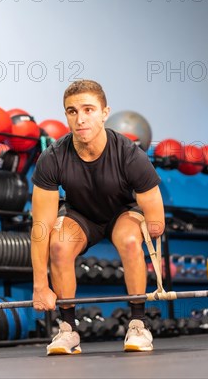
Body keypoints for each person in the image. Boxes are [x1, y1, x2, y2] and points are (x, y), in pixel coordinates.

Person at [30, 79, 165, 355]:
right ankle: (68, 330)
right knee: (58, 244)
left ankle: (138, 324)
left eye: (88, 110)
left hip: (122, 212)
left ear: (105, 113)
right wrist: (40, 286)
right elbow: (41, 226)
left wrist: (149, 239)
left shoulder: (129, 155)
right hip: (81, 216)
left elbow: (155, 217)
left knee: (129, 240)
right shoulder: (52, 157)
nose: (80, 119)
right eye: (72, 111)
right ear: (66, 115)